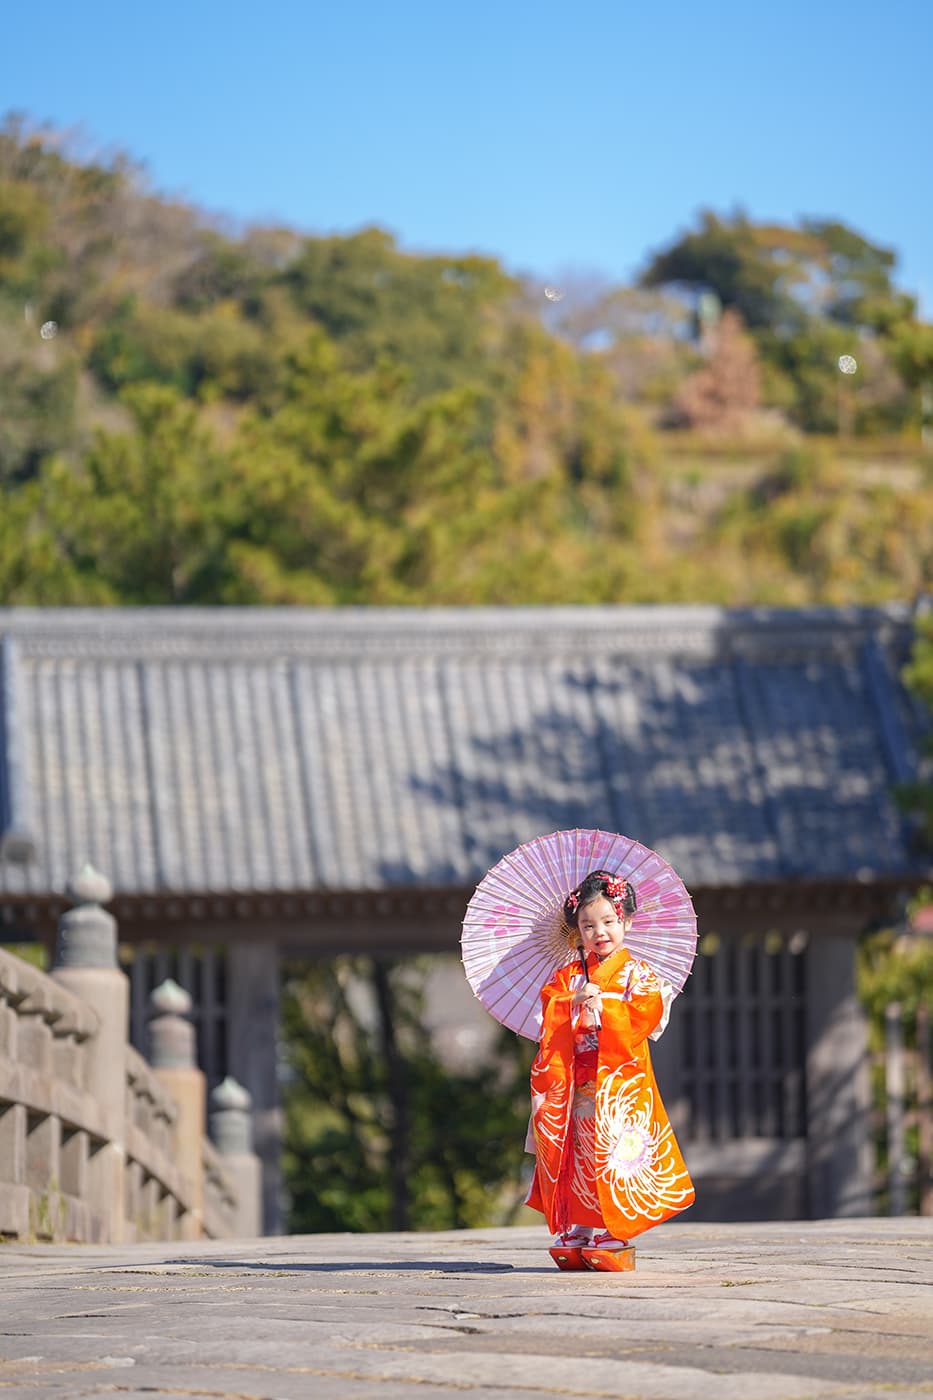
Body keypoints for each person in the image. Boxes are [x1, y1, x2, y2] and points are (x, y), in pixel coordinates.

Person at [525, 869, 694, 1271]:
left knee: (613, 1153)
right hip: (575, 1083)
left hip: (617, 1083)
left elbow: (646, 1015)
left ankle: (613, 1227)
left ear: (626, 922)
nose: (599, 932)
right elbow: (550, 1010)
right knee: (577, 1153)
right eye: (588, 925)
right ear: (577, 931)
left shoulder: (639, 975)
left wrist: (608, 1008)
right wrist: (572, 1001)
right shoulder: (568, 977)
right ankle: (580, 1225)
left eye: (608, 922)